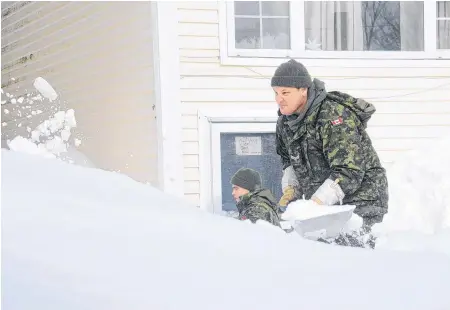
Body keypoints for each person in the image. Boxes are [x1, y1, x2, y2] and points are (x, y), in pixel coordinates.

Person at [272, 59, 389, 232]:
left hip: (360, 202)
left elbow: (349, 171)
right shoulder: (285, 124)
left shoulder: (332, 116)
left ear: (303, 90)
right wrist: (291, 188)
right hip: (325, 204)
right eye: (275, 93)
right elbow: (287, 159)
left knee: (352, 254)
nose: (278, 99)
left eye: (285, 93)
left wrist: (314, 204)